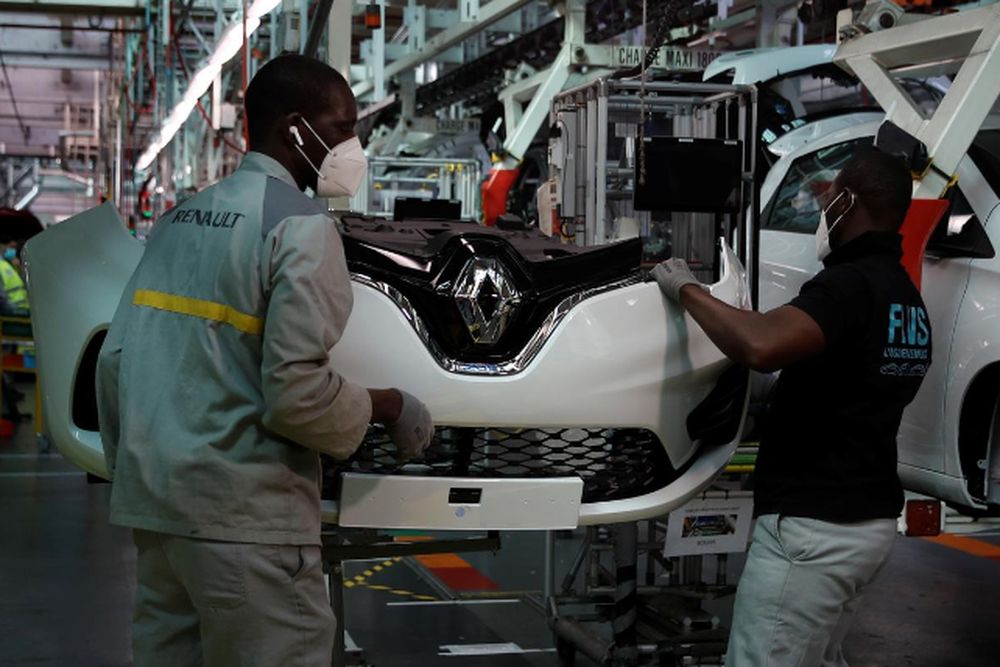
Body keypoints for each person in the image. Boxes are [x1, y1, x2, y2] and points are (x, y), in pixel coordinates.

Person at [96, 54, 433, 666]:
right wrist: (388, 406)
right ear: (296, 129)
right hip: (246, 523)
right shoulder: (300, 227)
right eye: (343, 126)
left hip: (161, 515)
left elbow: (116, 360)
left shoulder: (176, 221)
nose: (352, 146)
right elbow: (297, 396)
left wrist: (136, 476)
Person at [652, 149, 931, 667]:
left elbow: (761, 345)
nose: (823, 206)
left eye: (831, 194)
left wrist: (684, 287)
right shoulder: (905, 297)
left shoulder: (848, 286)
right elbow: (856, 382)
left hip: (814, 527)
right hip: (867, 523)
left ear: (849, 201)